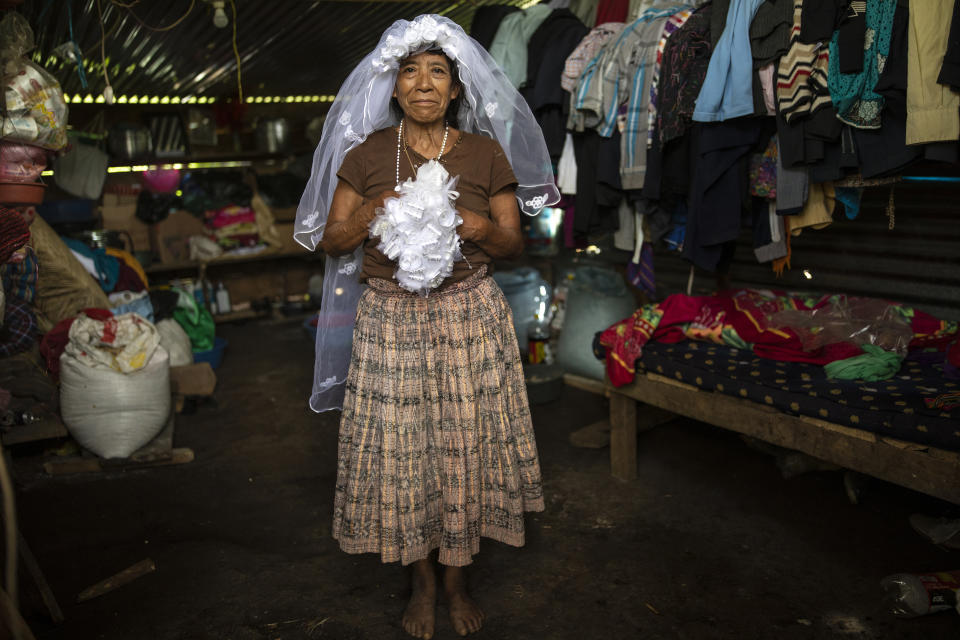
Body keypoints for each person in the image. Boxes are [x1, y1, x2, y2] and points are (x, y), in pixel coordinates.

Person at [294, 15, 560, 639]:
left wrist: (479, 228)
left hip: (469, 315)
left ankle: (456, 580)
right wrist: (370, 211)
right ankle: (419, 584)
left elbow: (514, 244)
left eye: (437, 72)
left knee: (464, 448)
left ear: (456, 89)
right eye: (410, 72)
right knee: (405, 451)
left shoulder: (483, 153)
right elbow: (329, 238)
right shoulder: (365, 156)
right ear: (393, 89)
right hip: (390, 320)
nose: (423, 84)